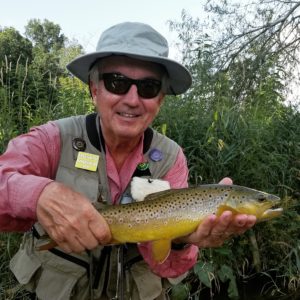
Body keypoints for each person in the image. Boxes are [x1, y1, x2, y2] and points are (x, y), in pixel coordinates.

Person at [0, 22, 256, 300]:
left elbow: (167, 267)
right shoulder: (53, 138)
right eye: (117, 83)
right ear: (94, 89)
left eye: (148, 87)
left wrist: (181, 240)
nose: (133, 99)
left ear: (160, 100)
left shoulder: (170, 159)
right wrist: (40, 195)